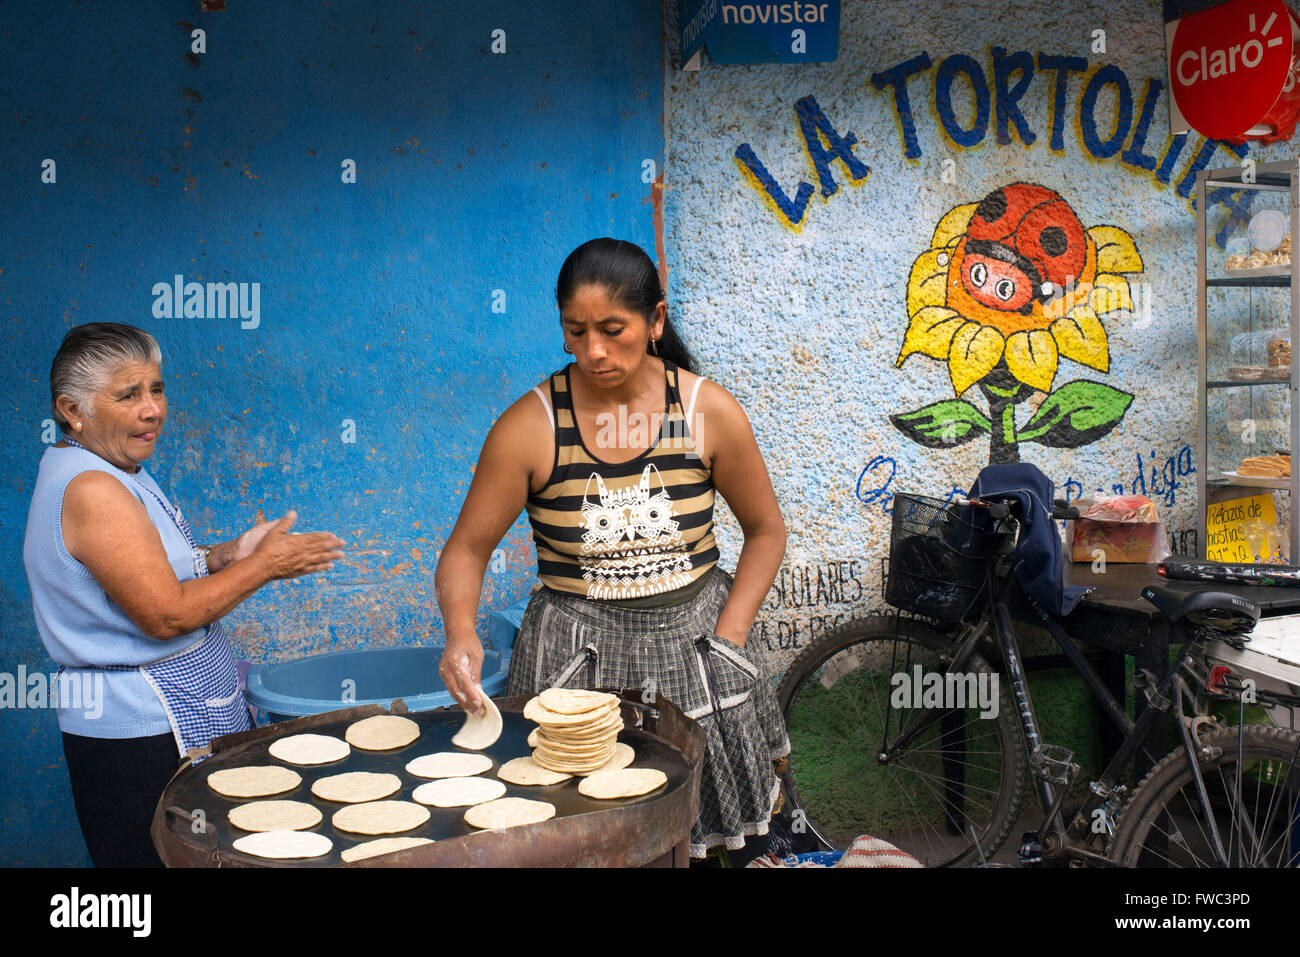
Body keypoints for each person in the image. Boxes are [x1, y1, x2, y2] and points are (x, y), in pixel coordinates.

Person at [436, 238, 790, 862]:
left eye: (613, 329)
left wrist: (730, 640)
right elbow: (466, 549)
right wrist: (460, 632)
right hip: (575, 661)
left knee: (702, 839)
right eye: (577, 331)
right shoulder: (532, 426)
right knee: (578, 833)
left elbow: (766, 530)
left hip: (699, 651)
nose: (594, 351)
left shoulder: (708, 412)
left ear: (655, 321)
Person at [22, 322, 344, 867]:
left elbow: (151, 569)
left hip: (162, 723)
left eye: (156, 388)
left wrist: (228, 555)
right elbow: (165, 615)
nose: (153, 410)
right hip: (141, 737)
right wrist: (265, 566)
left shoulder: (112, 468)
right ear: (72, 410)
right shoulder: (93, 488)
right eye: (129, 395)